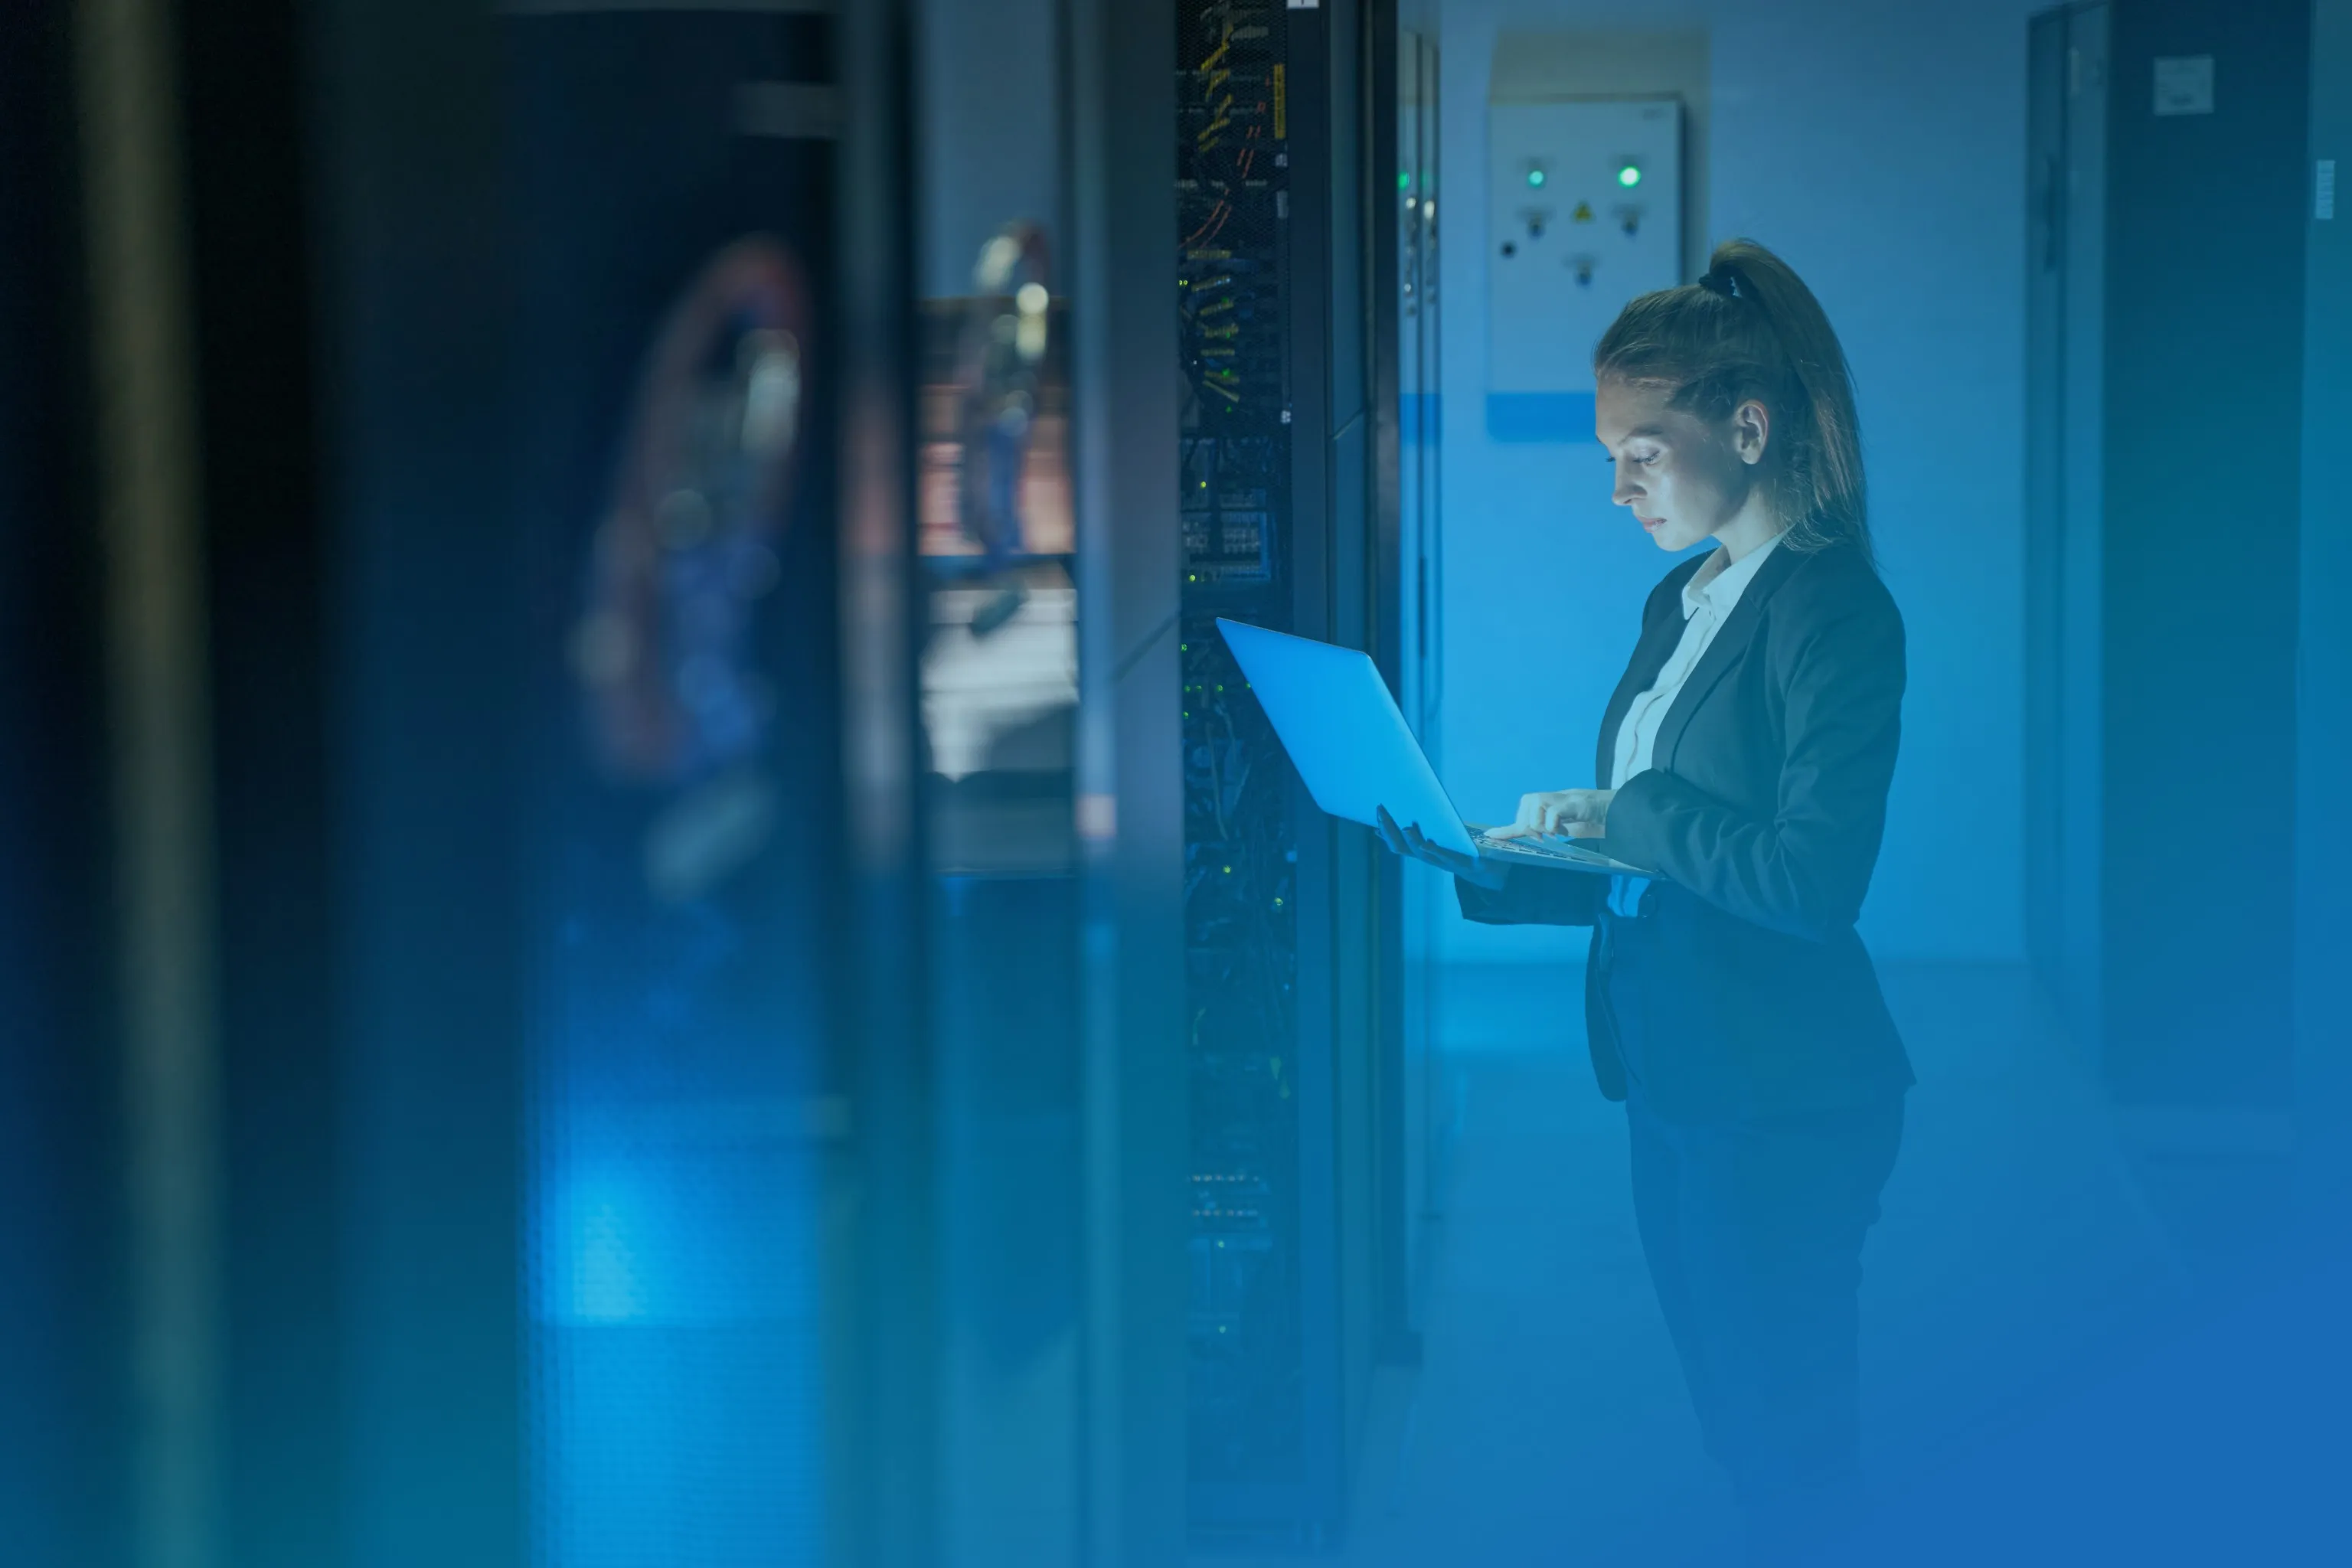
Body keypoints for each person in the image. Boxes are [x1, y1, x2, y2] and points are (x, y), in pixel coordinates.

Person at [1377, 237, 1912, 1564]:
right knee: (1738, 1427)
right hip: (1677, 1065)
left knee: (1791, 1444)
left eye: (1641, 451)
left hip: (1782, 1091)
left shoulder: (1836, 611)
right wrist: (1497, 863)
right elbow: (1663, 865)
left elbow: (1806, 880)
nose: (1618, 488)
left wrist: (1629, 814)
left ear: (1747, 424)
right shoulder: (1686, 596)